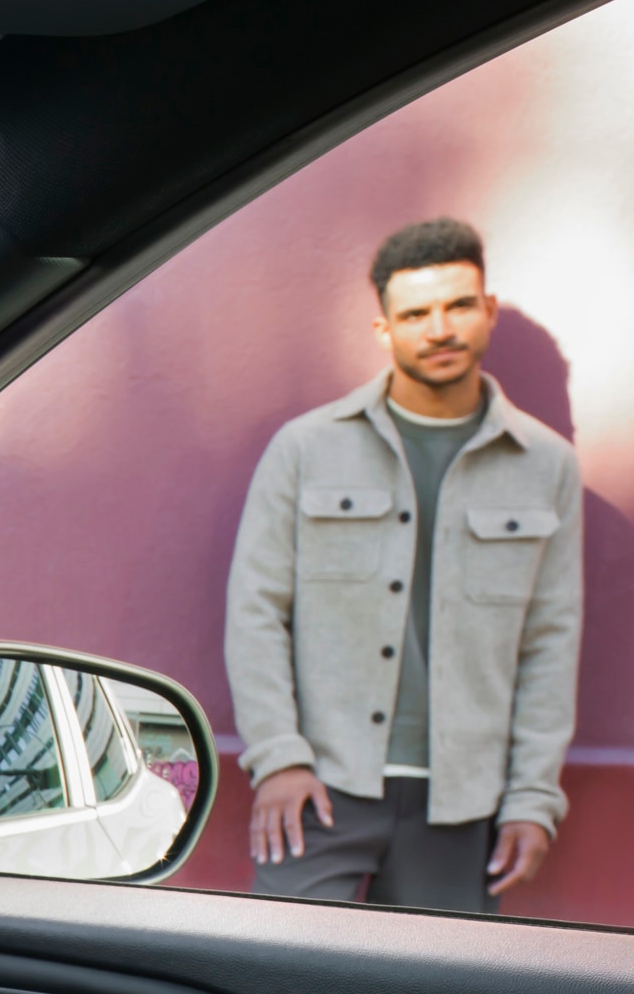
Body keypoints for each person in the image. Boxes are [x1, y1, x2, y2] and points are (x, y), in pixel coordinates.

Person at [223, 215, 581, 910]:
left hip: (460, 802)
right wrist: (279, 759)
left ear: (488, 311)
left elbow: (550, 641)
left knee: (434, 981)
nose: (440, 329)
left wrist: (533, 798)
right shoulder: (306, 448)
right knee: (278, 963)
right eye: (416, 314)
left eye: (458, 306)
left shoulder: (546, 465)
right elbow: (256, 612)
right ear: (384, 329)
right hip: (322, 785)